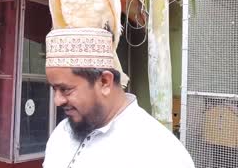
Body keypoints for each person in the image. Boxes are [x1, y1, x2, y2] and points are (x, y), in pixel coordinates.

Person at [43, 28, 195, 168]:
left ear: (104, 82)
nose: (57, 100)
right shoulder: (62, 132)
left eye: (66, 90)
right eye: (54, 89)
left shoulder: (161, 152)